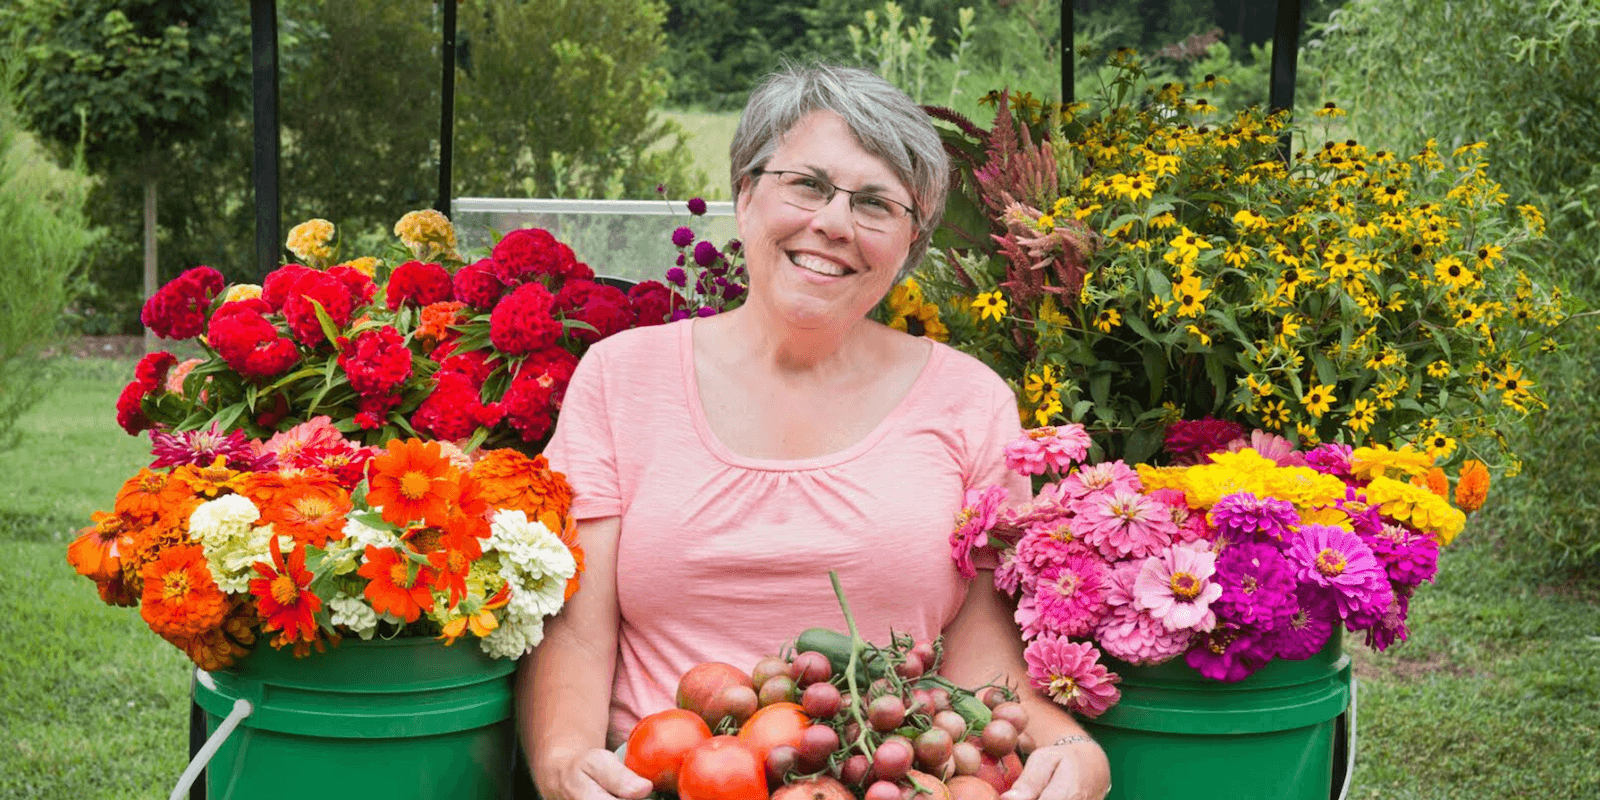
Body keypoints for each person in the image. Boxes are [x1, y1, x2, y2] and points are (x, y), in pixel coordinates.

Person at [518, 63, 1112, 800]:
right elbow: (574, 629)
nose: (833, 223)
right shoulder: (621, 379)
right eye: (807, 185)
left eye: (875, 205)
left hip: (888, 781)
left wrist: (1070, 751)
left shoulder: (970, 402)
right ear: (745, 194)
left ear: (908, 248)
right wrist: (564, 758)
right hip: (664, 782)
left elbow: (983, 655)